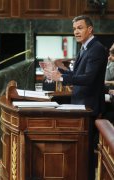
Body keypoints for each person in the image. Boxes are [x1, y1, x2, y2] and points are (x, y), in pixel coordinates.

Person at [43, 15, 107, 180]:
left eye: (80, 28)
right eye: (74, 29)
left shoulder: (97, 48)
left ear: (90, 29)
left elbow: (88, 79)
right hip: (79, 104)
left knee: (85, 152)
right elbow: (77, 75)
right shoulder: (84, 48)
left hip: (89, 107)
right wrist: (58, 70)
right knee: (79, 149)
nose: (76, 32)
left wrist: (61, 78)